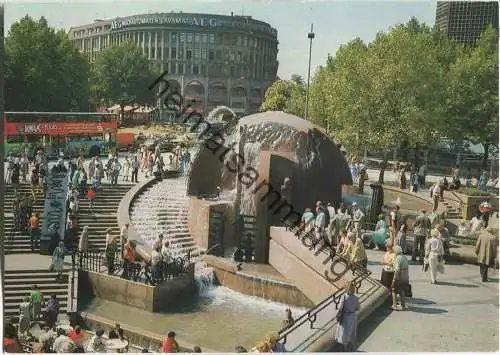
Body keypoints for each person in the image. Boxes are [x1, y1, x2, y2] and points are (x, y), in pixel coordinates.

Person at [334, 280, 359, 352]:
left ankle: (344, 349)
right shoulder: (355, 298)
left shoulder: (344, 297)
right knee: (351, 333)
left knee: (343, 333)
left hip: (345, 316)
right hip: (352, 316)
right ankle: (350, 349)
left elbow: (340, 307)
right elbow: (358, 308)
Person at [391, 245, 409, 311]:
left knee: (394, 290)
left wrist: (393, 279)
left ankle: (394, 305)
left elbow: (397, 270)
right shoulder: (405, 257)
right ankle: (403, 305)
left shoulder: (398, 258)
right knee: (402, 291)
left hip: (399, 276)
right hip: (405, 276)